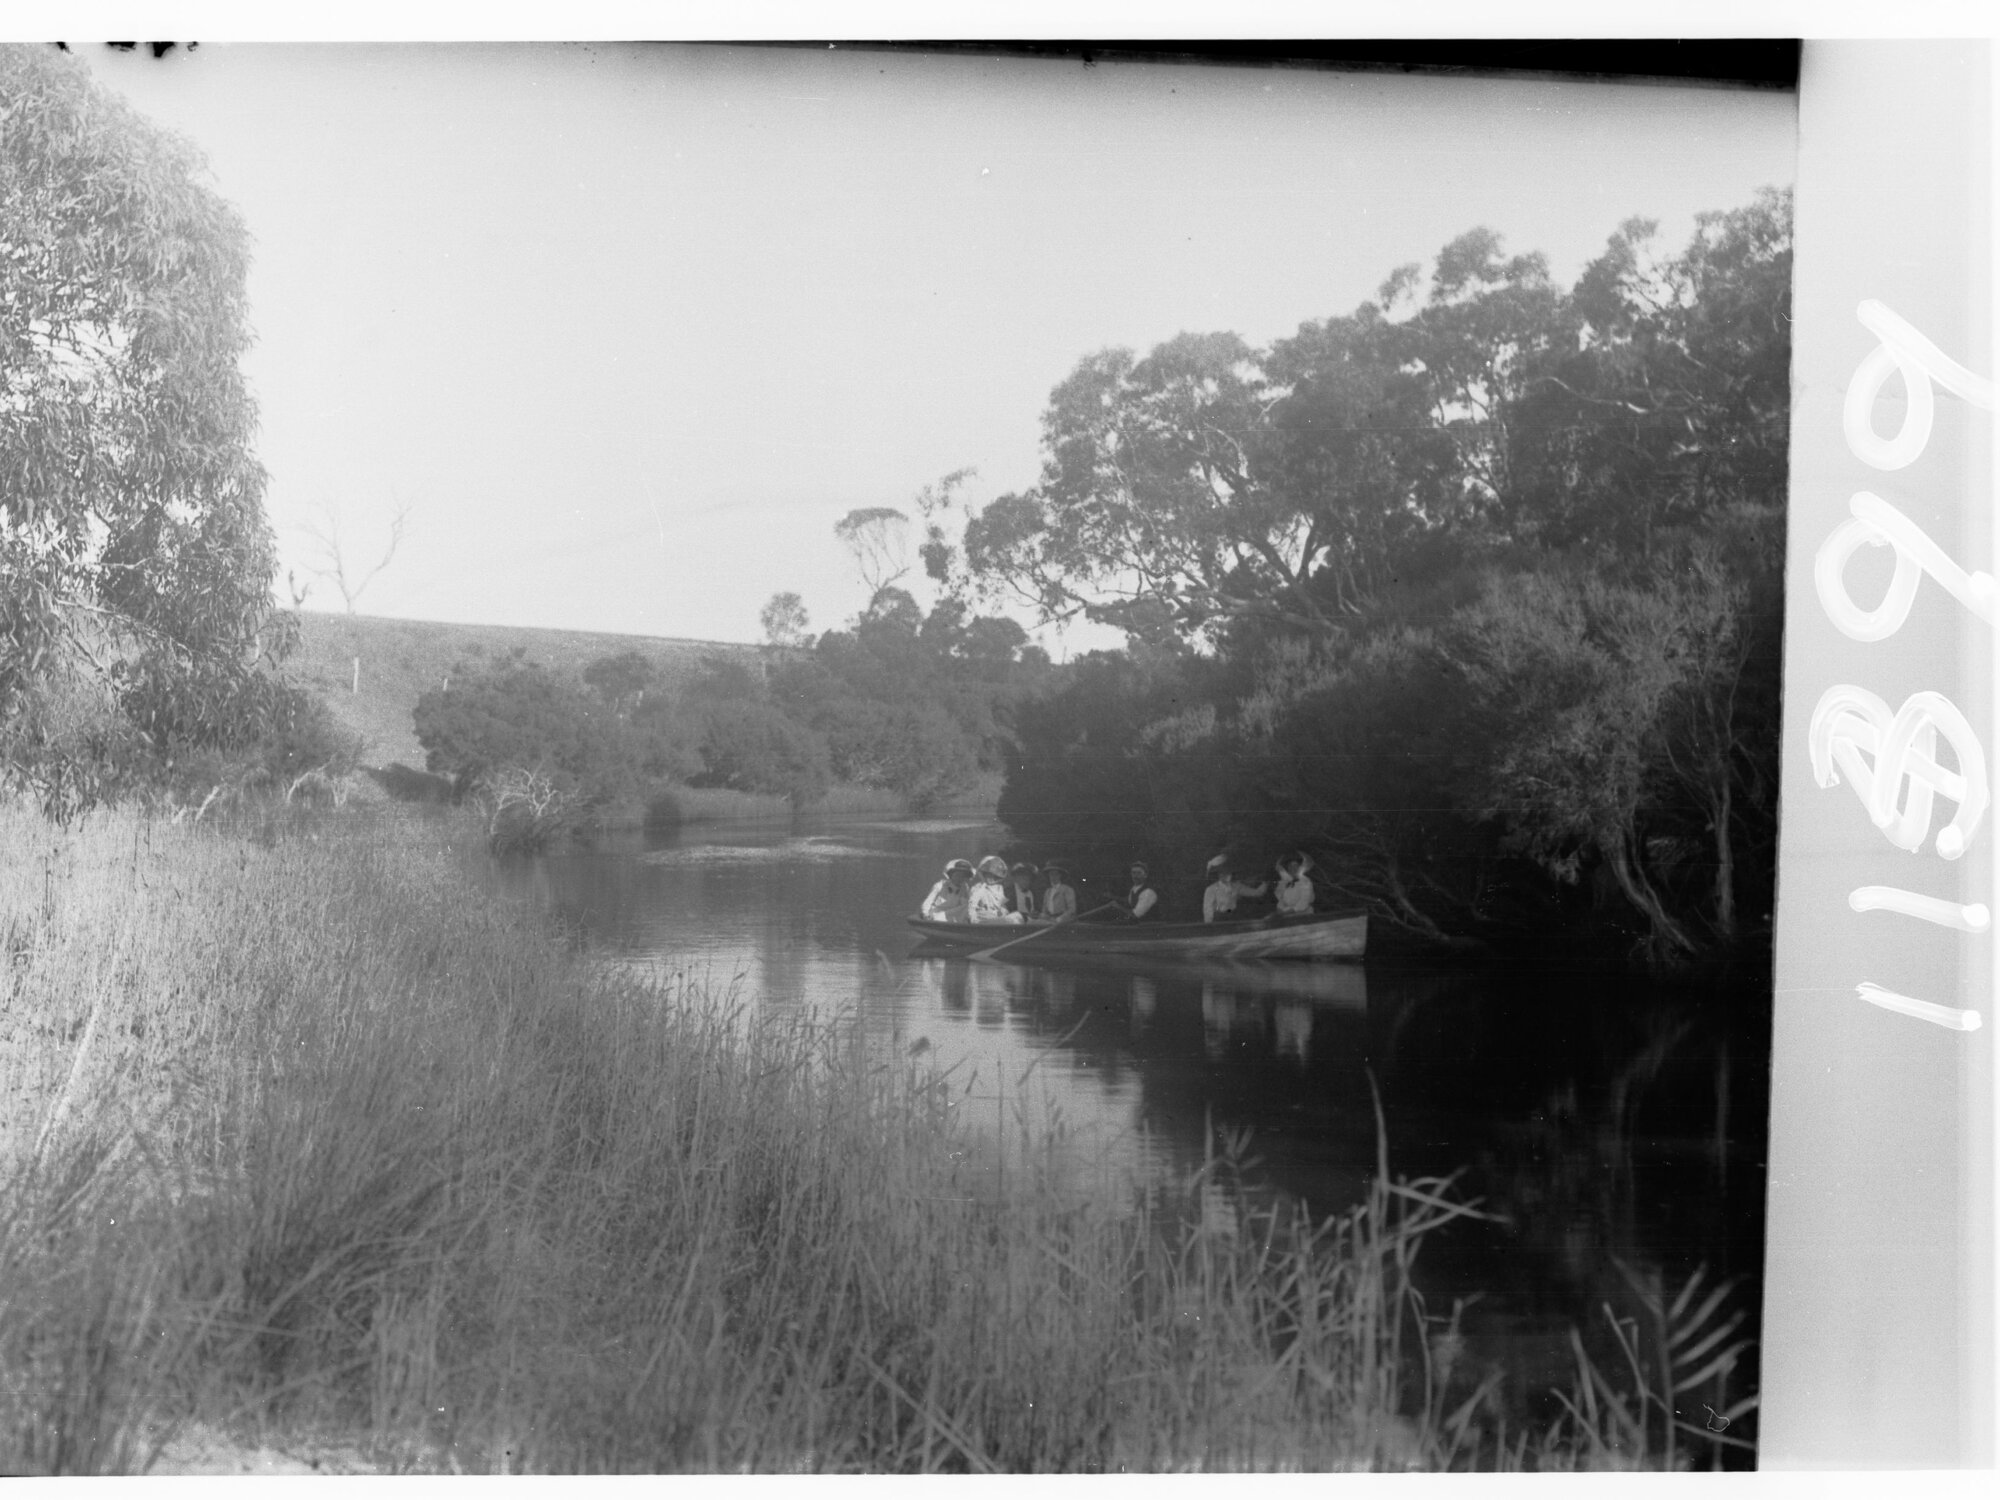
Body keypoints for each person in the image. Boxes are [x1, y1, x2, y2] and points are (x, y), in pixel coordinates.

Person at [1202, 853, 1269, 923]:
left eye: (1229, 872)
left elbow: (1258, 892)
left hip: (1234, 919)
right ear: (1219, 874)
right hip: (1219, 921)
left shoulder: (1237, 886)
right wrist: (1209, 926)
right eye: (1223, 872)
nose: (1227, 875)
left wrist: (1266, 881)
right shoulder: (1211, 889)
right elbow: (1207, 910)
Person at [968, 855, 1021, 924]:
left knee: (1017, 916)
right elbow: (972, 906)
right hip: (982, 919)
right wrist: (973, 920)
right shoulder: (978, 888)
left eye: (994, 877)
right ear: (983, 874)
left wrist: (1003, 911)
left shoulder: (999, 888)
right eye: (988, 875)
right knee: (1016, 918)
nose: (991, 879)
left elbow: (1002, 905)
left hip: (996, 917)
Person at [1274, 851, 1317, 915]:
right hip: (1287, 914)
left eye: (1295, 865)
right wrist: (1280, 909)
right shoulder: (1284, 881)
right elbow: (1280, 899)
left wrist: (1285, 912)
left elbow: (1303, 903)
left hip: (1304, 914)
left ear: (1300, 867)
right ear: (1288, 868)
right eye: (1290, 866)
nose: (1293, 868)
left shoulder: (1305, 881)